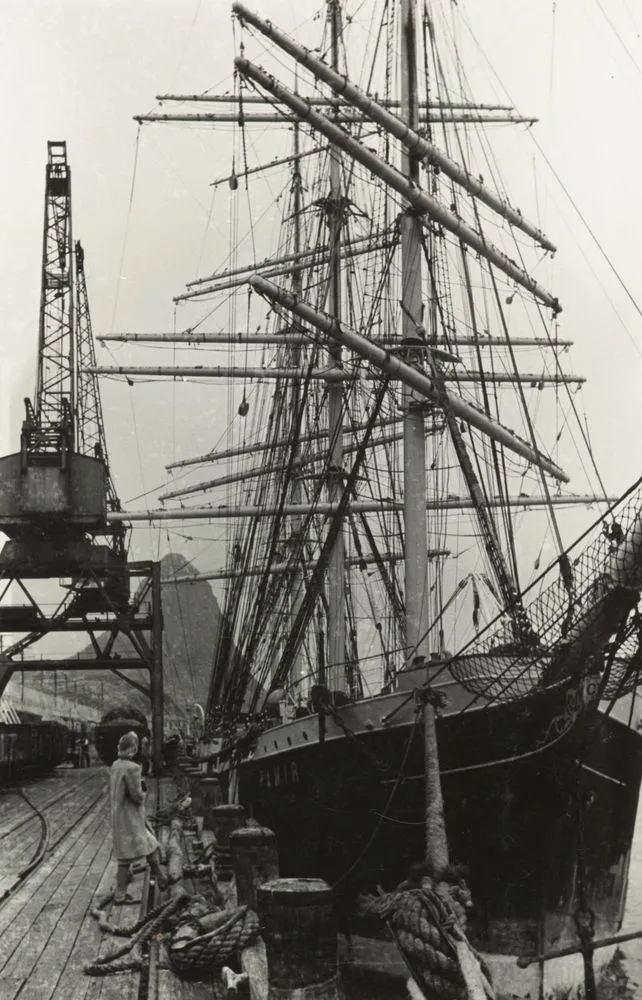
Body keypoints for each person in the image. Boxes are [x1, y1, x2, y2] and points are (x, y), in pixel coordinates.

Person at [110, 731, 168, 903]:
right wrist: (143, 791)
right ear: (133, 749)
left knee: (148, 844)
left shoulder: (116, 765)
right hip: (131, 817)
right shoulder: (133, 768)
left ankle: (161, 878)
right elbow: (137, 796)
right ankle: (121, 894)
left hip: (120, 815)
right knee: (127, 856)